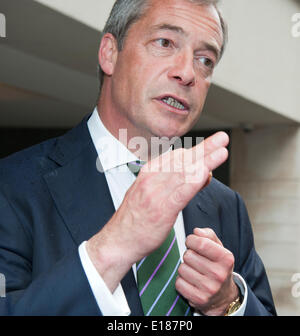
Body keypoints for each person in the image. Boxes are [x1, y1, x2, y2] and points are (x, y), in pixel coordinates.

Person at [0, 0, 276, 316]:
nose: (188, 73)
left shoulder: (225, 206)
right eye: (165, 42)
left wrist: (229, 301)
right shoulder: (11, 187)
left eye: (205, 60)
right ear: (109, 53)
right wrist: (112, 249)